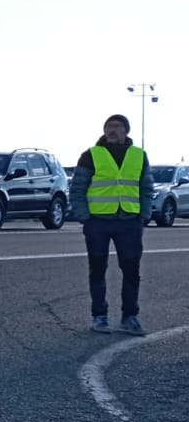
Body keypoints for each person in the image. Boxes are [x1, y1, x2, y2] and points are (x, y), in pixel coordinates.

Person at [72, 113, 152, 335]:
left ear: (126, 131)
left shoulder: (139, 156)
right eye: (109, 126)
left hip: (129, 222)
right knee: (97, 269)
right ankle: (100, 316)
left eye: (117, 126)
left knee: (131, 269)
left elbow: (146, 187)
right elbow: (77, 188)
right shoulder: (91, 155)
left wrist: (143, 215)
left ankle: (130, 317)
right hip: (98, 222)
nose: (112, 130)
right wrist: (84, 216)